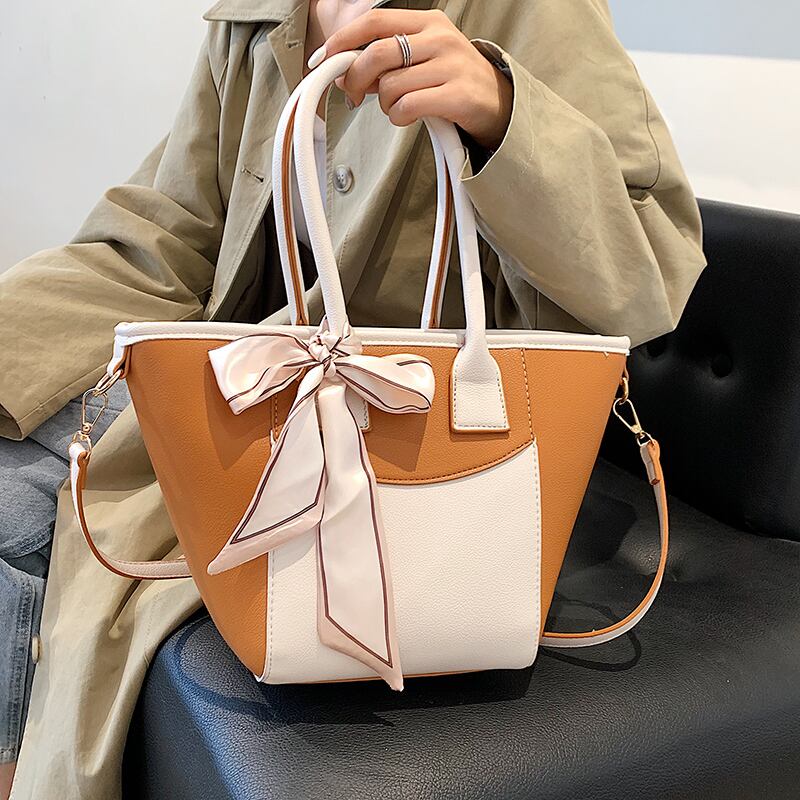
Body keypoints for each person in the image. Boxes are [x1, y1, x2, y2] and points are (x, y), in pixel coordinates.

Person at [0, 1, 707, 797]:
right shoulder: (255, 17)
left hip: (410, 438)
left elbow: (651, 271)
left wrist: (504, 116)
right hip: (251, 382)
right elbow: (172, 233)